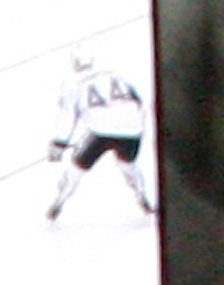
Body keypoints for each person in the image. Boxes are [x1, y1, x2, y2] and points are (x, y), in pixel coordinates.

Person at [45, 49, 152, 220]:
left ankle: (59, 201)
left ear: (75, 65)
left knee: (77, 168)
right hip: (132, 128)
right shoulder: (116, 74)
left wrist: (60, 142)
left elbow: (67, 116)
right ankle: (141, 195)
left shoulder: (73, 84)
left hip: (101, 131)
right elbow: (140, 99)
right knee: (128, 165)